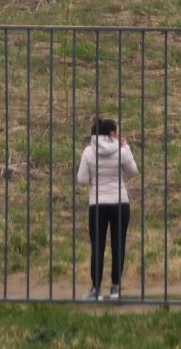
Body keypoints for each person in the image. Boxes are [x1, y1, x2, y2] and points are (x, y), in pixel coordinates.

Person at [75, 116, 139, 302]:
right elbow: (133, 171)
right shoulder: (121, 150)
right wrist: (127, 149)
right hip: (120, 202)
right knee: (118, 244)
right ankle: (115, 288)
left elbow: (81, 178)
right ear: (112, 132)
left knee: (98, 246)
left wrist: (91, 180)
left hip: (97, 204)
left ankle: (96, 289)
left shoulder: (88, 151)